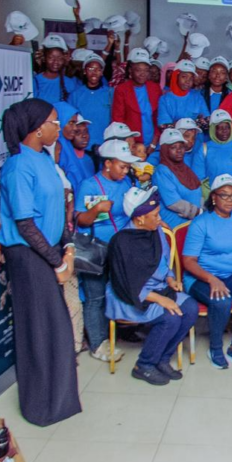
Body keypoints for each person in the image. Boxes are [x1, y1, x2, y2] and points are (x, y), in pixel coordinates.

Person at [0, 98, 81, 426]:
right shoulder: (18, 165)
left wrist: (68, 250)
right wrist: (57, 262)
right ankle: (40, 407)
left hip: (50, 252)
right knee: (39, 331)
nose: (59, 127)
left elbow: (61, 210)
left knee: (57, 330)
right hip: (28, 257)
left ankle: (58, 402)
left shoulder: (45, 158)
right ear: (35, 128)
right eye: (53, 121)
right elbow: (25, 222)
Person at [106, 186, 198, 385]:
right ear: (139, 218)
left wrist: (170, 278)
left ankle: (163, 359)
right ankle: (144, 365)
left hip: (158, 287)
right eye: (155, 215)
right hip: (131, 295)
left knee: (190, 309)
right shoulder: (122, 242)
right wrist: (161, 299)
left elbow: (164, 261)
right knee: (171, 318)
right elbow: (128, 284)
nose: (160, 219)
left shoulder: (155, 231)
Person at [182, 174, 232, 371]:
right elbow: (188, 261)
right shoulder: (201, 223)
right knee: (222, 300)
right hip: (201, 276)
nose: (230, 200)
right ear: (213, 197)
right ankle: (215, 348)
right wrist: (211, 279)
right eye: (224, 195)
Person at [75, 139, 138, 362]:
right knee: (96, 296)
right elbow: (81, 220)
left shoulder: (126, 183)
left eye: (128, 167)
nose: (126, 170)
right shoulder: (89, 185)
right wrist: (96, 209)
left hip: (122, 248)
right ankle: (98, 343)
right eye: (122, 166)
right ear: (108, 163)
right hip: (96, 250)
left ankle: (123, 331)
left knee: (121, 290)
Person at [111, 48, 161, 151]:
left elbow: (159, 118)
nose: (142, 74)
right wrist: (128, 140)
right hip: (131, 145)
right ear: (130, 70)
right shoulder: (122, 90)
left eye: (146, 70)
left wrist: (153, 143)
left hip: (153, 144)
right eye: (138, 70)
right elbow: (118, 120)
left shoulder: (155, 88)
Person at [152, 128, 201, 229]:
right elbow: (173, 202)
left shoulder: (185, 168)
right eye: (173, 147)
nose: (179, 151)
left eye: (181, 147)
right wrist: (198, 212)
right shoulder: (162, 171)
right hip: (175, 225)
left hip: (193, 223)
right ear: (165, 150)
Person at [68, 54, 112, 149]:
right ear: (84, 71)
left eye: (98, 69)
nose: (94, 72)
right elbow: (70, 122)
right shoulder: (75, 95)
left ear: (102, 72)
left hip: (106, 146)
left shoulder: (110, 93)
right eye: (90, 69)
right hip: (83, 146)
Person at [158, 59, 209, 128]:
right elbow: (163, 126)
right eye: (184, 77)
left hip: (196, 138)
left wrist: (176, 123)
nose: (188, 81)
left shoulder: (197, 97)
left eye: (191, 78)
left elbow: (207, 123)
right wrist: (196, 121)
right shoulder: (165, 99)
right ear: (176, 76)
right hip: (174, 138)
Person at [54, 102, 93, 190]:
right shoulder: (55, 147)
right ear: (59, 121)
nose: (75, 128)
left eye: (75, 123)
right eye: (71, 123)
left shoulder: (67, 146)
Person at [33, 34, 77, 104]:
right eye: (51, 57)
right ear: (44, 58)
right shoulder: (34, 82)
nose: (55, 61)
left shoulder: (69, 83)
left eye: (59, 58)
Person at [204, 109, 232, 182]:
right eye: (220, 128)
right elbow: (199, 178)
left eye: (227, 127)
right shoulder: (204, 149)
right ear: (213, 129)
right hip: (210, 192)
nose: (224, 130)